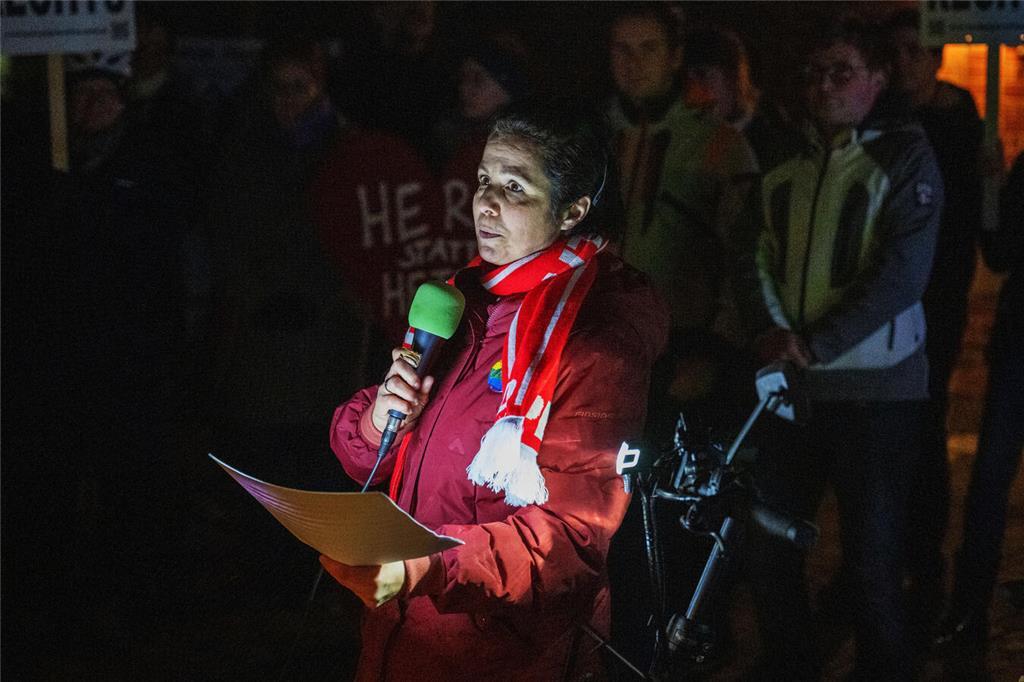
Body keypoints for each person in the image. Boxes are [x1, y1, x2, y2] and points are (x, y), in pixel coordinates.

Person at [321, 100, 668, 680]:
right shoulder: (464, 300)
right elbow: (364, 458)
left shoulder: (596, 342)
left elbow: (571, 541)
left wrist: (423, 567)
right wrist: (380, 418)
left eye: (514, 187)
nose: (486, 202)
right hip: (403, 639)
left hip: (504, 654)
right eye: (484, 180)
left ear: (572, 211)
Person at [741, 17, 942, 680]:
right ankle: (790, 664)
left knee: (872, 557)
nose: (824, 86)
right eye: (815, 74)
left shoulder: (905, 155)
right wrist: (776, 335)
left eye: (842, 72)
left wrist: (814, 343)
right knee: (770, 546)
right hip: (794, 387)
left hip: (875, 394)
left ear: (877, 80)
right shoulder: (785, 156)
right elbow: (756, 252)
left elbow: (901, 275)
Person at [886, 7, 987, 637]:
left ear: (935, 59)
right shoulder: (886, 118)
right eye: (894, 55)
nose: (904, 66)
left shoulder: (955, 122)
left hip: (936, 302)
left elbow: (963, 223)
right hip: (890, 301)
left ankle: (924, 564)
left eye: (914, 53)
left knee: (924, 431)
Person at [934, 151, 1023, 671]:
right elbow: (1000, 253)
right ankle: (968, 609)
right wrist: (993, 190)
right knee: (989, 480)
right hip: (1018, 346)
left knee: (991, 479)